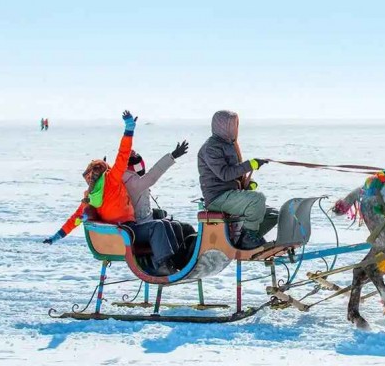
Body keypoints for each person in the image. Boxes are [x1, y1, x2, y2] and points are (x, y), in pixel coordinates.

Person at [43, 110, 181, 275]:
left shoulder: (90, 196)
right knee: (159, 225)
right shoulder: (112, 179)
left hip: (117, 234)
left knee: (163, 224)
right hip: (128, 232)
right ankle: (163, 265)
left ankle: (173, 262)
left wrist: (57, 237)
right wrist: (129, 129)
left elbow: (76, 219)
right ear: (105, 170)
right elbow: (123, 154)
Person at [197, 110, 278, 250]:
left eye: (236, 124)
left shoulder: (228, 144)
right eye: (232, 125)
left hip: (229, 194)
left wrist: (244, 186)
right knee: (257, 199)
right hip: (218, 197)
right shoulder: (211, 148)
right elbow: (225, 174)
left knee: (273, 215)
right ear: (222, 125)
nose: (235, 128)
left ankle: (251, 236)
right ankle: (247, 239)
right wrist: (250, 165)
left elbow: (232, 173)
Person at [123, 142, 196, 266]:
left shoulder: (131, 180)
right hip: (140, 226)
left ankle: (185, 258)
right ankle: (176, 261)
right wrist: (171, 156)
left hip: (145, 220)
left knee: (180, 227)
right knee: (169, 227)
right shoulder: (132, 182)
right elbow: (152, 176)